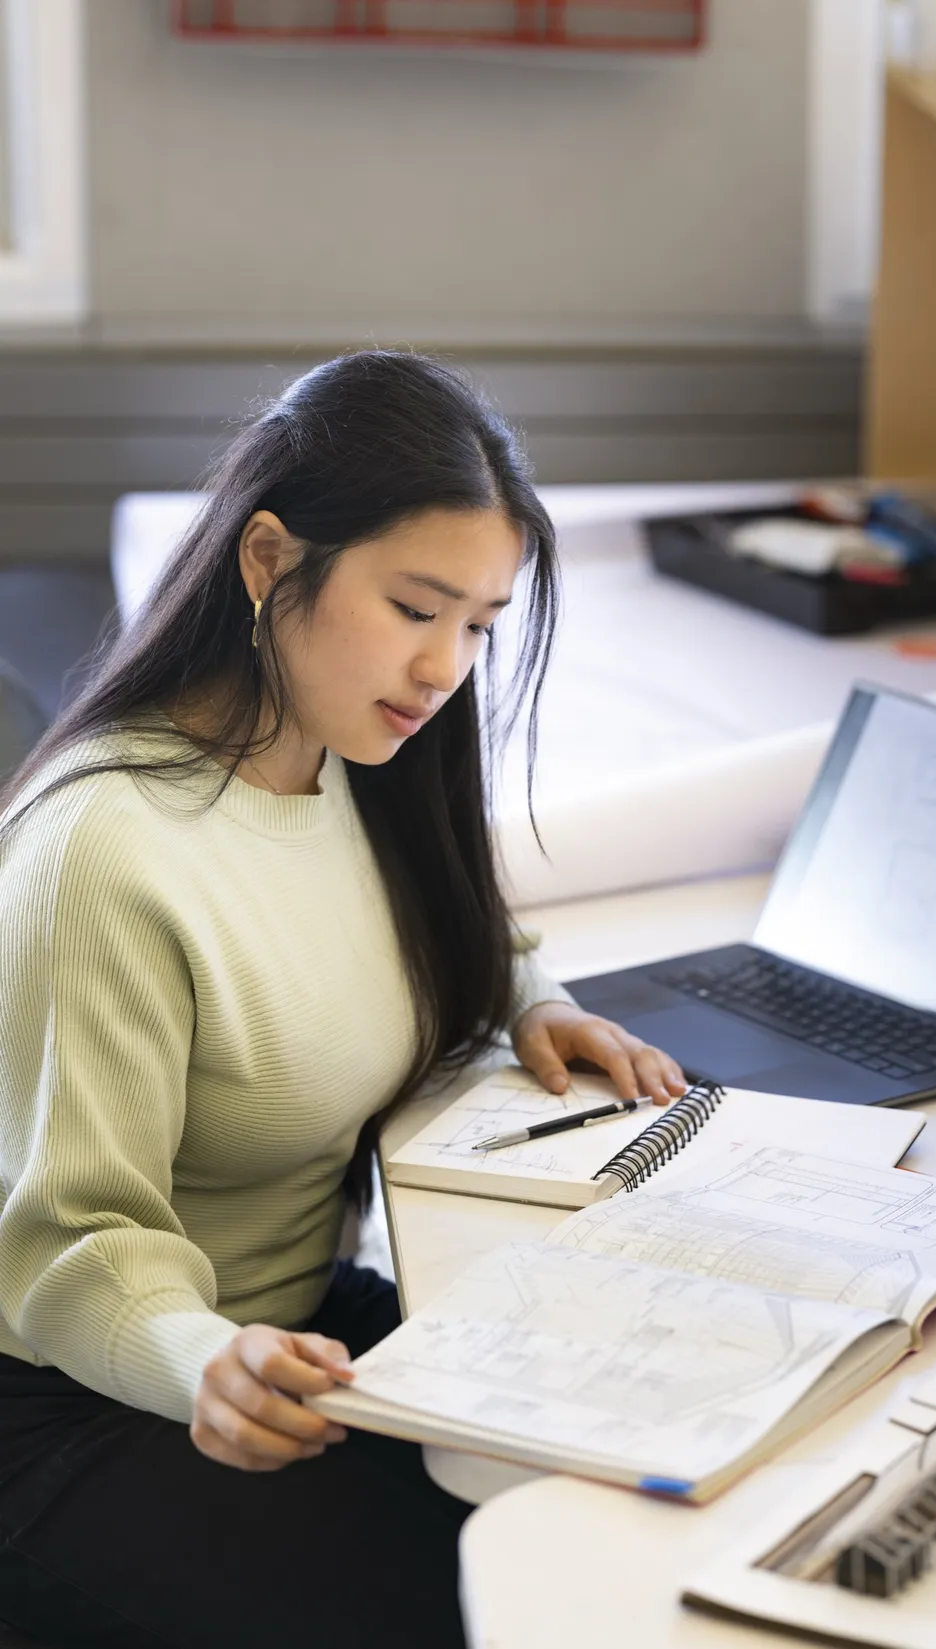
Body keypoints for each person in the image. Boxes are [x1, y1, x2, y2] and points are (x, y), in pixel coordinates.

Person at [0, 352, 686, 1649]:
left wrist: (526, 997)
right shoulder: (102, 855)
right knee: (487, 1611)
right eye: (417, 606)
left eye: (480, 624)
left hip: (294, 1327)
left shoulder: (354, 750)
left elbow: (452, 914)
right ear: (268, 560)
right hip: (100, 1386)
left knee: (622, 1508)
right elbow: (70, 1246)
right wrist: (207, 1361)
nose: (444, 667)